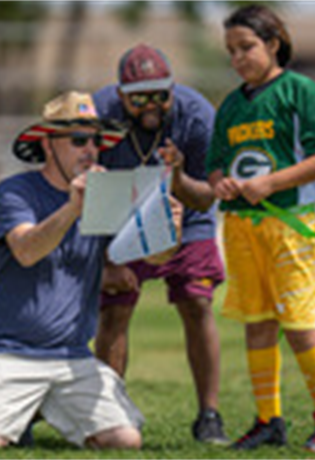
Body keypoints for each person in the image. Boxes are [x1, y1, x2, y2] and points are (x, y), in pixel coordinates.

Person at [0, 91, 183, 453]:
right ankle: (3, 414)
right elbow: (27, 251)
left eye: (95, 140)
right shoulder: (15, 191)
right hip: (4, 351)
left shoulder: (108, 192)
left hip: (72, 355)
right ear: (47, 145)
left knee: (125, 441)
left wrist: (169, 231)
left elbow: (155, 258)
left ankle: (29, 411)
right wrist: (74, 209)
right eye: (78, 140)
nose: (90, 149)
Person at [206, 6, 315, 452]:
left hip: (291, 226)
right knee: (258, 324)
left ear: (273, 44)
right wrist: (221, 183)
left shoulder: (302, 92)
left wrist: (270, 182)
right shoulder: (231, 104)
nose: (237, 58)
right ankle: (269, 421)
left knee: (300, 326)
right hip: (243, 228)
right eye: (231, 50)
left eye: (246, 47)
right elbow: (214, 167)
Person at [91, 44, 229, 444]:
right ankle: (111, 412)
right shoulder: (99, 114)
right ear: (121, 96)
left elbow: (207, 196)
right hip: (119, 216)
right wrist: (106, 260)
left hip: (188, 218)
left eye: (159, 94)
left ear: (172, 88)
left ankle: (209, 415)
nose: (151, 104)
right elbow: (88, 188)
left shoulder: (198, 115)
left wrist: (179, 177)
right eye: (139, 97)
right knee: (114, 311)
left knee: (196, 302)